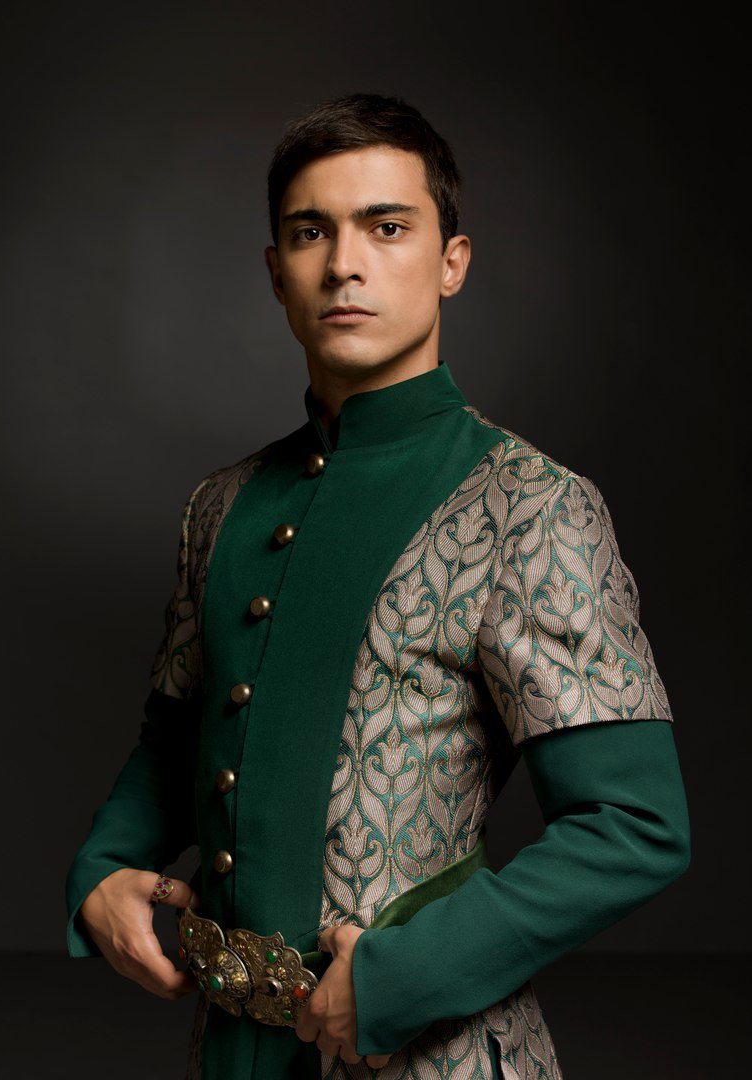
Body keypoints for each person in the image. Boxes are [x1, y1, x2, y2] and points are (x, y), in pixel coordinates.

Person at [65, 93, 691, 1080]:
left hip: (430, 1056)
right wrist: (102, 869)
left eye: (386, 228)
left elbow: (635, 825)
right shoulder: (221, 506)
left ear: (452, 262)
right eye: (310, 232)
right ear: (275, 271)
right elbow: (176, 741)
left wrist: (407, 974)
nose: (343, 265)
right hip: (229, 1054)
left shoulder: (528, 505)